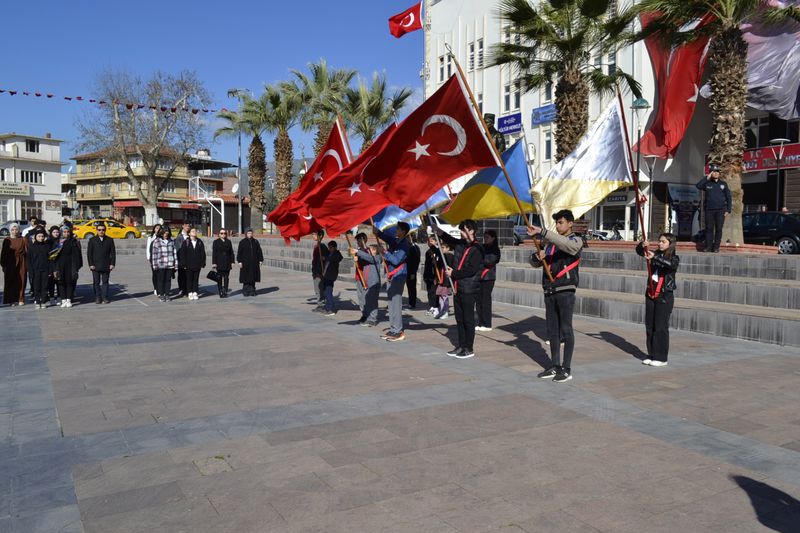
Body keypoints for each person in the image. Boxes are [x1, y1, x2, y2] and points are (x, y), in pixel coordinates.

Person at [527, 210, 584, 383]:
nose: (558, 226)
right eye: (557, 223)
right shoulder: (551, 243)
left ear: (570, 224)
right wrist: (537, 256)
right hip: (550, 289)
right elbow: (534, 263)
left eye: (561, 222)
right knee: (552, 331)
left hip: (565, 290)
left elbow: (569, 246)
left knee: (566, 329)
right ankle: (555, 365)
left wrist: (543, 232)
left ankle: (566, 368)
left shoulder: (576, 240)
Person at [436, 219, 484, 359]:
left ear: (471, 231)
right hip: (457, 287)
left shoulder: (477, 249)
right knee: (459, 319)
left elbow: (471, 270)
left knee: (468, 319)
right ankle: (461, 345)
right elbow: (449, 239)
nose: (460, 232)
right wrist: (438, 231)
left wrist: (453, 273)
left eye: (463, 230)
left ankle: (469, 348)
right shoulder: (461, 244)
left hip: (469, 289)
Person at [636, 234, 680, 367]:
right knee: (650, 325)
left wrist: (655, 257)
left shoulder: (674, 258)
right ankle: (651, 354)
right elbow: (639, 252)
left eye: (663, 242)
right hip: (651, 293)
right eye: (659, 241)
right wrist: (641, 245)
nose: (660, 244)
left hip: (664, 295)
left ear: (670, 244)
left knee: (661, 326)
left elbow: (670, 265)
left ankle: (661, 357)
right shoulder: (654, 254)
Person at [374, 222, 410, 342]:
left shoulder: (404, 245)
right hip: (392, 276)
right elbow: (387, 238)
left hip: (398, 276)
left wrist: (384, 252)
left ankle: (398, 331)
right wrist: (377, 232)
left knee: (395, 303)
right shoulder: (396, 241)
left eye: (398, 229)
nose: (396, 230)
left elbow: (396, 260)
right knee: (391, 303)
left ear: (403, 231)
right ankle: (393, 328)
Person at [696, 163, 732, 253]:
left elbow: (728, 197)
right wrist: (707, 177)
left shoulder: (723, 184)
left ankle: (716, 247)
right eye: (714, 172)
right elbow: (698, 186)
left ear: (719, 174)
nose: (716, 173)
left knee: (719, 229)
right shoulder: (707, 184)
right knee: (709, 228)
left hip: (721, 210)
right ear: (711, 173)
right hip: (709, 210)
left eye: (717, 172)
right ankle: (708, 247)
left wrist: (728, 210)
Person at [350, 243, 382, 326]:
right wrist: (356, 259)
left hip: (374, 283)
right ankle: (368, 317)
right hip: (366, 283)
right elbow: (363, 260)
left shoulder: (377, 258)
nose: (368, 251)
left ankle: (373, 319)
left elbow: (370, 259)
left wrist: (358, 251)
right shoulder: (369, 258)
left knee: (373, 302)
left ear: (375, 250)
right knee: (366, 301)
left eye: (370, 250)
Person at [476, 230, 501, 332]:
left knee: (485, 300)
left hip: (488, 277)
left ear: (493, 238)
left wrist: (480, 258)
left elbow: (489, 262)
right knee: (478, 300)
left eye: (487, 237)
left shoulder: (495, 249)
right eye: (484, 237)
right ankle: (480, 322)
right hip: (479, 277)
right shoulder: (482, 247)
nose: (485, 239)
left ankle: (487, 324)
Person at [53, 226, 82, 308]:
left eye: (68, 232)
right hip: (60, 265)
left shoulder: (73, 241)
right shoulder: (58, 242)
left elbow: (77, 254)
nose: (66, 233)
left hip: (70, 265)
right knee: (61, 282)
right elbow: (53, 255)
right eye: (64, 232)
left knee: (69, 282)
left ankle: (69, 299)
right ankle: (63, 299)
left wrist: (77, 265)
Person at [87, 223, 116, 304]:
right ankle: (98, 297)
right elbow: (89, 253)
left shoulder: (110, 240)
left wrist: (112, 263)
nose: (101, 231)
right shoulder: (92, 240)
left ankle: (105, 297)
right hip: (95, 266)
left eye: (103, 230)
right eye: (99, 230)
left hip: (106, 265)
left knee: (105, 282)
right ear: (96, 230)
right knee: (96, 282)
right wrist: (91, 264)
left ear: (105, 230)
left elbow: (113, 253)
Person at [1, 223, 28, 306]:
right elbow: (3, 253)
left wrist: (28, 264)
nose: (14, 231)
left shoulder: (23, 239)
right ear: (10, 230)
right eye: (12, 230)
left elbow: (27, 252)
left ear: (19, 230)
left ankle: (20, 298)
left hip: (21, 261)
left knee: (22, 280)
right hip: (10, 262)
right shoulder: (7, 240)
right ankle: (11, 300)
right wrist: (3, 264)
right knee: (10, 280)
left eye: (16, 229)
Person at [179, 227, 206, 300]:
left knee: (196, 279)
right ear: (189, 233)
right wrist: (183, 264)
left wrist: (203, 262)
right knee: (189, 279)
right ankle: (190, 292)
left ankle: (195, 292)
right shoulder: (186, 242)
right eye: (193, 231)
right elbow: (182, 253)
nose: (195, 232)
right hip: (188, 264)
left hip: (197, 264)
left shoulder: (199, 242)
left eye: (195, 231)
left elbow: (202, 253)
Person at [151, 227, 177, 302]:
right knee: (161, 280)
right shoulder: (157, 241)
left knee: (168, 280)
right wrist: (154, 265)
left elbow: (174, 253)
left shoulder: (171, 241)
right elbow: (154, 254)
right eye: (165, 233)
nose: (166, 234)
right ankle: (161, 294)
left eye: (167, 233)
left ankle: (167, 294)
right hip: (160, 264)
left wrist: (176, 264)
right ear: (161, 233)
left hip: (170, 264)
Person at [27, 230, 52, 309]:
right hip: (35, 270)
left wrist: (50, 270)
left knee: (44, 286)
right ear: (35, 237)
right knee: (36, 286)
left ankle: (44, 301)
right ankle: (38, 301)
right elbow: (29, 260)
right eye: (39, 236)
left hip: (45, 269)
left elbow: (50, 259)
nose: (41, 238)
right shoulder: (31, 247)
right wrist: (30, 271)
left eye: (42, 236)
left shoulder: (47, 246)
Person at [237, 228, 263, 296]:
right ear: (246, 234)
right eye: (248, 233)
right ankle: (245, 291)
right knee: (246, 277)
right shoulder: (242, 242)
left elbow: (259, 251)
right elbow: (239, 252)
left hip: (254, 262)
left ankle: (252, 290)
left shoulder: (255, 242)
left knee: (253, 277)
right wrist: (239, 261)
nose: (250, 235)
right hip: (245, 263)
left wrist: (260, 260)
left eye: (251, 233)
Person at [320, 240, 343, 316]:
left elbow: (336, 258)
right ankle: (327, 307)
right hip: (326, 275)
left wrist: (325, 258)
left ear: (335, 247)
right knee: (325, 292)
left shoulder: (337, 254)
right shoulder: (329, 253)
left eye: (331, 247)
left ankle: (331, 308)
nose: (329, 249)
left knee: (328, 292)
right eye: (329, 247)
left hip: (331, 276)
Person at [352, 233, 370, 322]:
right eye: (357, 241)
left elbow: (367, 263)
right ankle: (364, 313)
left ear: (364, 240)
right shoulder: (358, 251)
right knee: (360, 297)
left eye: (359, 241)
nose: (358, 243)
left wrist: (358, 259)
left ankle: (367, 314)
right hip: (358, 277)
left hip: (365, 277)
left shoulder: (368, 251)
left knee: (365, 296)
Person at [211, 229, 235, 298]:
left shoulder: (228, 241)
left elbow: (231, 252)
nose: (223, 234)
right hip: (219, 262)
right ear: (219, 234)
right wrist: (214, 263)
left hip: (227, 262)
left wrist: (232, 261)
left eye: (224, 233)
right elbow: (214, 253)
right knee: (219, 278)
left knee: (226, 277)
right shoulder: (216, 242)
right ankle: (220, 291)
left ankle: (225, 291)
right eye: (221, 233)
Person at [434, 241, 453, 320]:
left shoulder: (449, 256)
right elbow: (439, 265)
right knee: (440, 296)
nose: (442, 249)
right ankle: (441, 310)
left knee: (444, 296)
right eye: (441, 248)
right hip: (440, 278)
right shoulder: (442, 256)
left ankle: (445, 311)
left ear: (448, 248)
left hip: (446, 279)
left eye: (443, 248)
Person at [423, 234, 440, 316]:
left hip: (435, 275)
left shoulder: (438, 250)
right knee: (429, 292)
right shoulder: (428, 252)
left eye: (432, 241)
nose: (429, 243)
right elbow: (427, 265)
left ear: (436, 241)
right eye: (428, 241)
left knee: (434, 292)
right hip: (428, 274)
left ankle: (436, 306)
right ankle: (431, 306)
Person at [311, 230, 329, 308]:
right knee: (317, 288)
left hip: (319, 271)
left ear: (320, 236)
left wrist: (320, 271)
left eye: (314, 234)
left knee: (319, 288)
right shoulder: (316, 246)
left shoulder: (322, 247)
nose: (313, 236)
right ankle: (320, 302)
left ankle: (321, 303)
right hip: (315, 270)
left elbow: (326, 258)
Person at [174, 222, 191, 296]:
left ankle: (187, 290)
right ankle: (181, 289)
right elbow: (178, 249)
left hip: (189, 260)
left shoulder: (190, 236)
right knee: (181, 275)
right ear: (183, 226)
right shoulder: (179, 237)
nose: (188, 226)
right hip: (181, 260)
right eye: (186, 225)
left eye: (189, 225)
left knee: (188, 275)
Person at [146, 223, 162, 295]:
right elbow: (148, 248)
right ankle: (156, 288)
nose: (158, 229)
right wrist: (149, 258)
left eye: (159, 228)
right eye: (156, 228)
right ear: (154, 229)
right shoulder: (151, 237)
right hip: (153, 258)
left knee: (160, 274)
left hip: (161, 259)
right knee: (155, 274)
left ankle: (160, 288)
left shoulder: (162, 237)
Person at [405, 232, 421, 309]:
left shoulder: (415, 248)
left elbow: (416, 261)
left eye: (408, 237)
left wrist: (413, 272)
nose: (407, 239)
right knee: (408, 287)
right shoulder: (408, 247)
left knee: (412, 288)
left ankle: (412, 303)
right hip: (405, 270)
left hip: (411, 271)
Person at [46, 226, 61, 305]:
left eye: (57, 232)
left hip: (59, 264)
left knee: (58, 282)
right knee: (51, 282)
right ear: (51, 233)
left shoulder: (61, 241)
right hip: (50, 263)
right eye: (54, 232)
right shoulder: (48, 241)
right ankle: (51, 297)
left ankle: (59, 297)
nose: (56, 234)